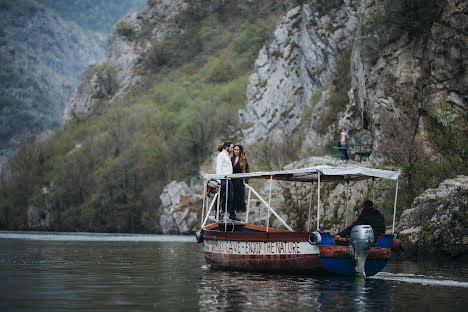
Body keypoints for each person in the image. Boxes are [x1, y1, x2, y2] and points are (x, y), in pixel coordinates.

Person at [215, 141, 239, 221]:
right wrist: (218, 179)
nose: (232, 149)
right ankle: (217, 214)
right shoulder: (221, 155)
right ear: (226, 147)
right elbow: (218, 167)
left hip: (229, 179)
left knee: (230, 197)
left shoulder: (227, 155)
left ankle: (232, 214)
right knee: (220, 197)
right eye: (231, 147)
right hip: (223, 179)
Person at [231, 143, 250, 213]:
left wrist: (245, 182)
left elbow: (246, 171)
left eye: (238, 150)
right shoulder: (232, 158)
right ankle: (232, 213)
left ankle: (238, 212)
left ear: (240, 150)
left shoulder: (243, 159)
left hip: (239, 181)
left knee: (239, 197)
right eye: (235, 149)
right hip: (232, 181)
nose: (236, 151)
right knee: (232, 197)